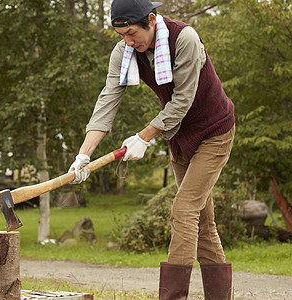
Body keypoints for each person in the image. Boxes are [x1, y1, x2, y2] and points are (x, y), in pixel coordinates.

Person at [68, 0, 235, 299]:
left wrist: (144, 137)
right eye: (122, 36)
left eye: (132, 33)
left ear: (152, 20)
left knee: (184, 211)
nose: (128, 42)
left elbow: (182, 100)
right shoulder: (125, 52)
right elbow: (107, 101)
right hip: (179, 138)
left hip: (214, 132)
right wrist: (84, 154)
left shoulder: (185, 39)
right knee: (203, 223)